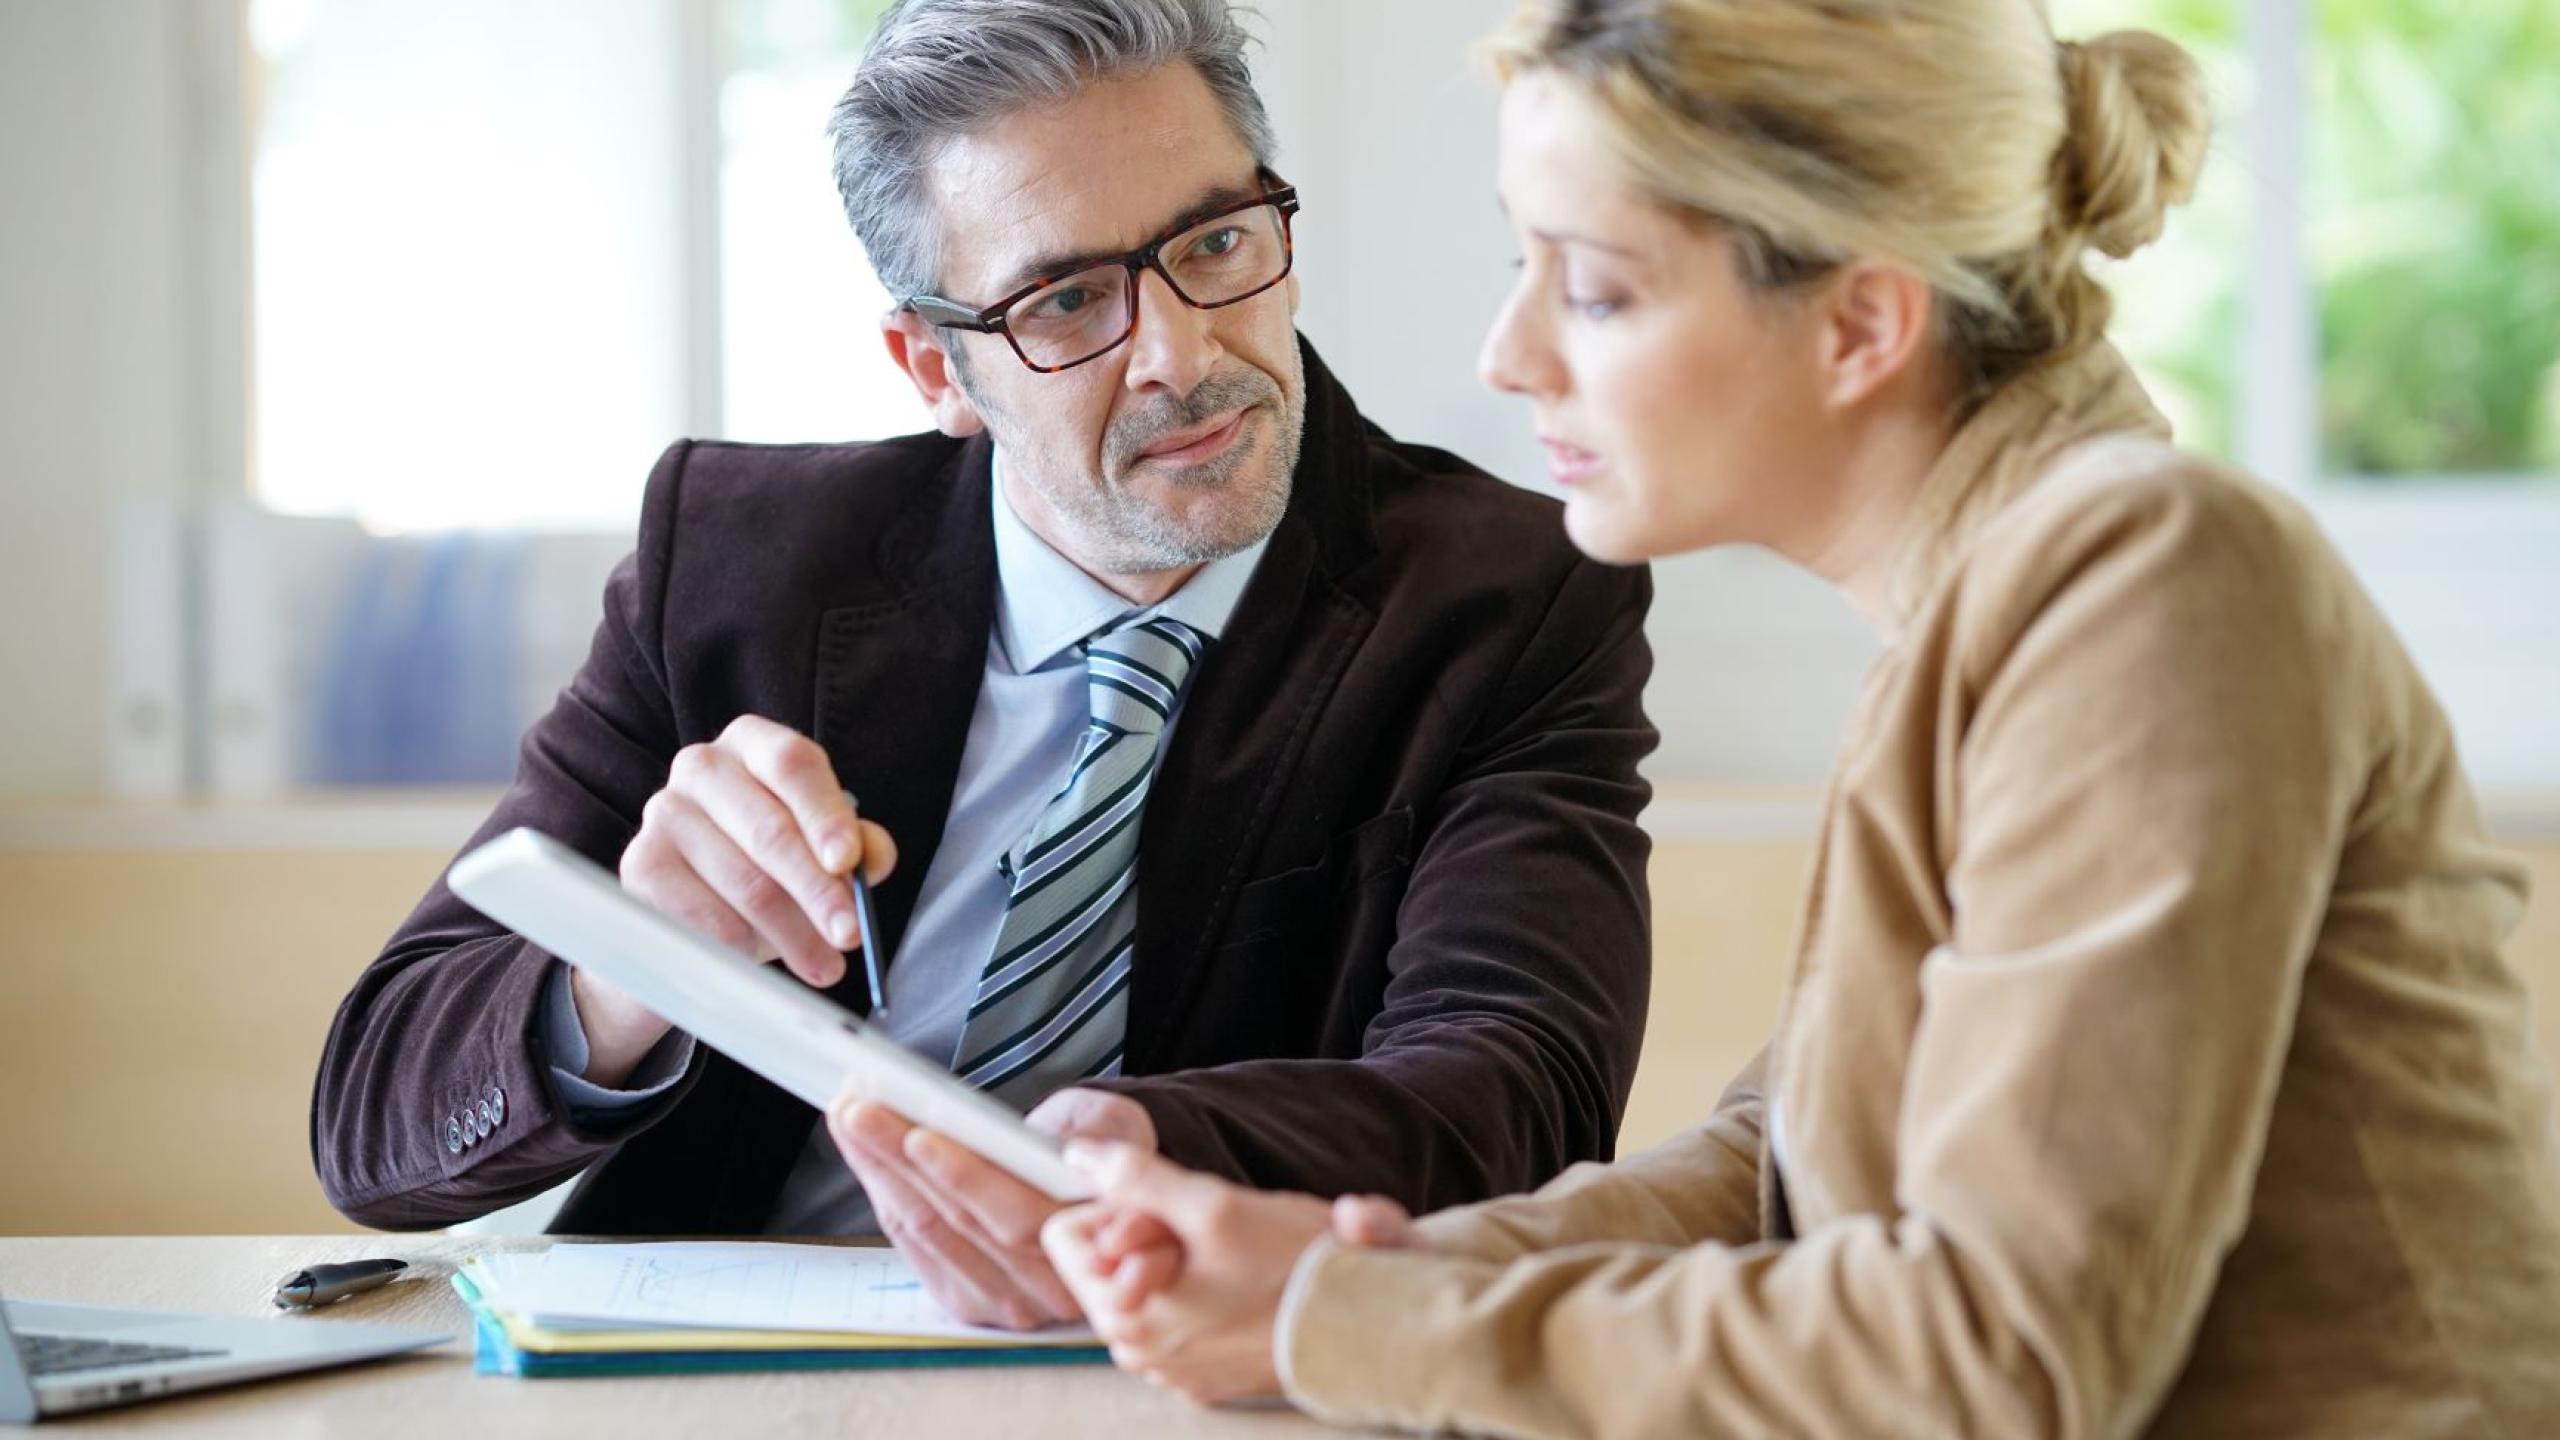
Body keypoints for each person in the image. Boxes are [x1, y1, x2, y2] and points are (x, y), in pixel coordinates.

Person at [1037, 0, 2560, 1432]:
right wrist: (1353, 1272)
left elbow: (2001, 1360)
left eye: (1597, 287)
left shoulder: (2146, 584)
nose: (1511, 355)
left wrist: (1355, 1322)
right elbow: (1783, 1167)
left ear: (1860, 325)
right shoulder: (1997, 593)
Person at [309, 0, 1661, 1337]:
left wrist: (1120, 1154)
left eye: (1219, 242)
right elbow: (375, 1124)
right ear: (931, 367)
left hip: (1182, 1362)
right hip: (713, 1371)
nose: (1184, 356)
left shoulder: (1507, 599)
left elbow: (1520, 1094)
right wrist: (634, 974)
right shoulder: (736, 567)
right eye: (1067, 300)